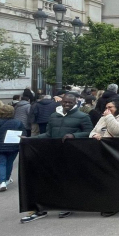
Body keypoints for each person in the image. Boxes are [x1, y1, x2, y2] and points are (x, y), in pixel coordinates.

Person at [21, 94, 94, 223]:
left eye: (70, 102)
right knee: (49, 180)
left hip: (71, 154)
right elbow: (48, 134)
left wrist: (74, 135)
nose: (67, 104)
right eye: (65, 102)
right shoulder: (54, 116)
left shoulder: (83, 116)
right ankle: (43, 208)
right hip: (53, 153)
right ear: (61, 102)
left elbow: (90, 132)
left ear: (75, 103)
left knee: (68, 181)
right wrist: (30, 139)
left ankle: (67, 205)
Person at [0, 104, 25, 191]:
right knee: (9, 163)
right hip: (12, 146)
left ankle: (2, 182)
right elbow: (23, 134)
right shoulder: (17, 122)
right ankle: (7, 179)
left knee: (0, 164)